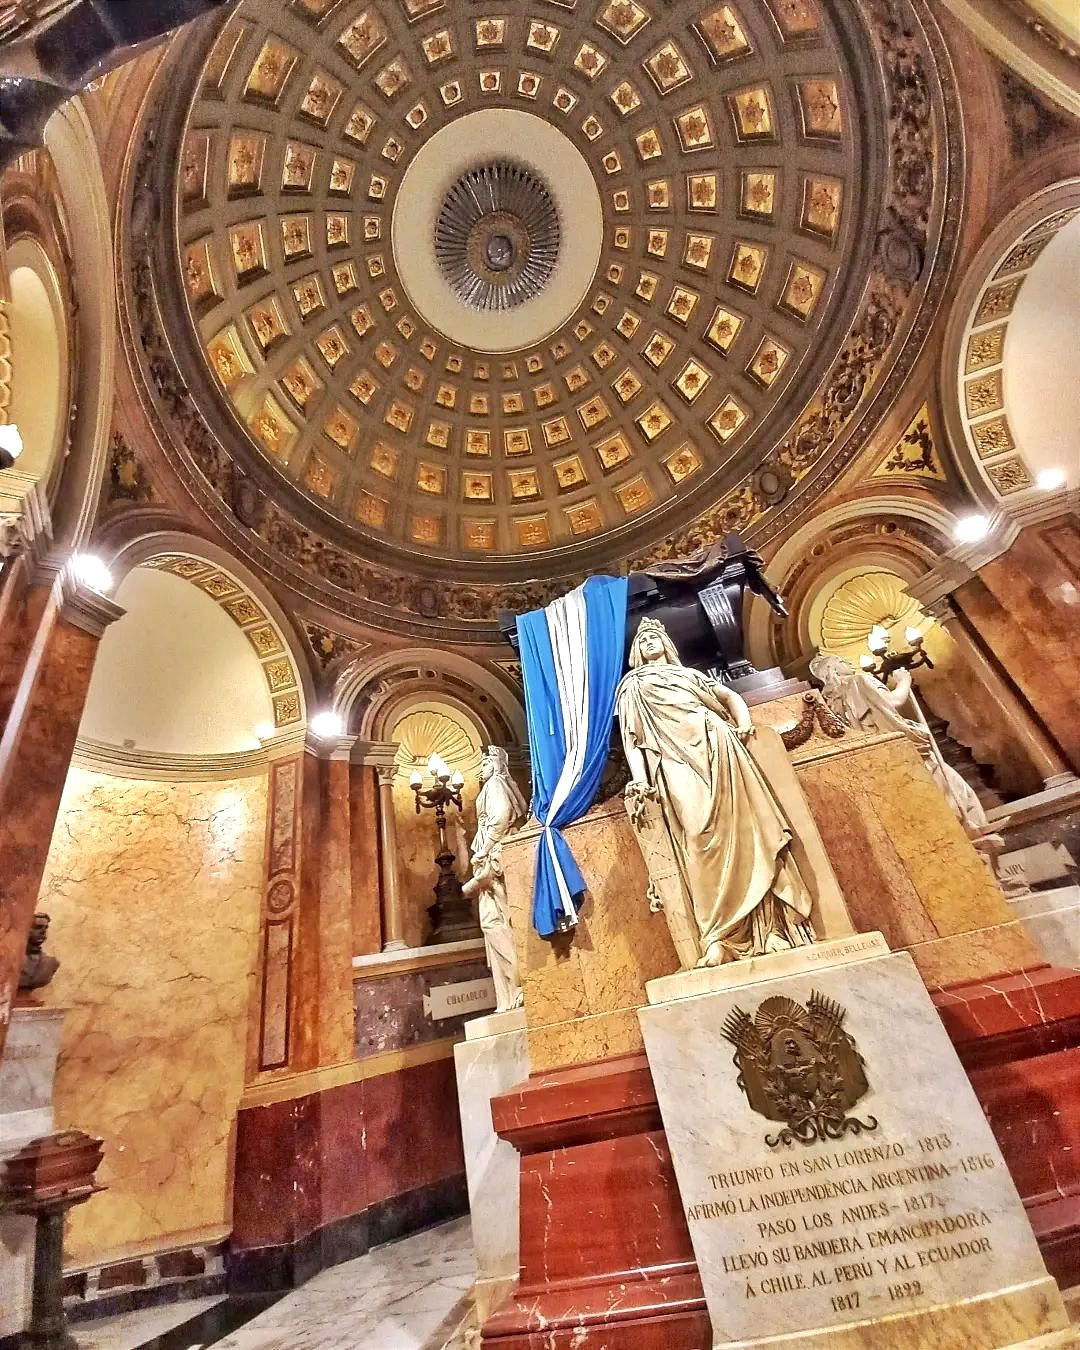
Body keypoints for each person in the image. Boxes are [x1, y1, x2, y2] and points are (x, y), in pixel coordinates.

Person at [616, 618, 815, 967]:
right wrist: (640, 779)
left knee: (746, 832)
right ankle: (718, 936)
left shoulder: (689, 676)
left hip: (718, 748)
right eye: (643, 638)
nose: (649, 641)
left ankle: (769, 931)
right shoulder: (634, 685)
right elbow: (633, 741)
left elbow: (728, 695)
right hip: (673, 758)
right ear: (636, 651)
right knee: (697, 835)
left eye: (654, 636)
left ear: (666, 644)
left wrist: (743, 721)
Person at [463, 747, 529, 1011]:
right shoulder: (498, 784)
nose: (482, 766)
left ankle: (520, 983)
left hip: (495, 860)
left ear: (496, 764)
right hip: (494, 859)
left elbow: (502, 816)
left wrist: (484, 848)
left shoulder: (495, 784)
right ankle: (513, 989)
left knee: (496, 921)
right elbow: (520, 808)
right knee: (501, 920)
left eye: (485, 761)